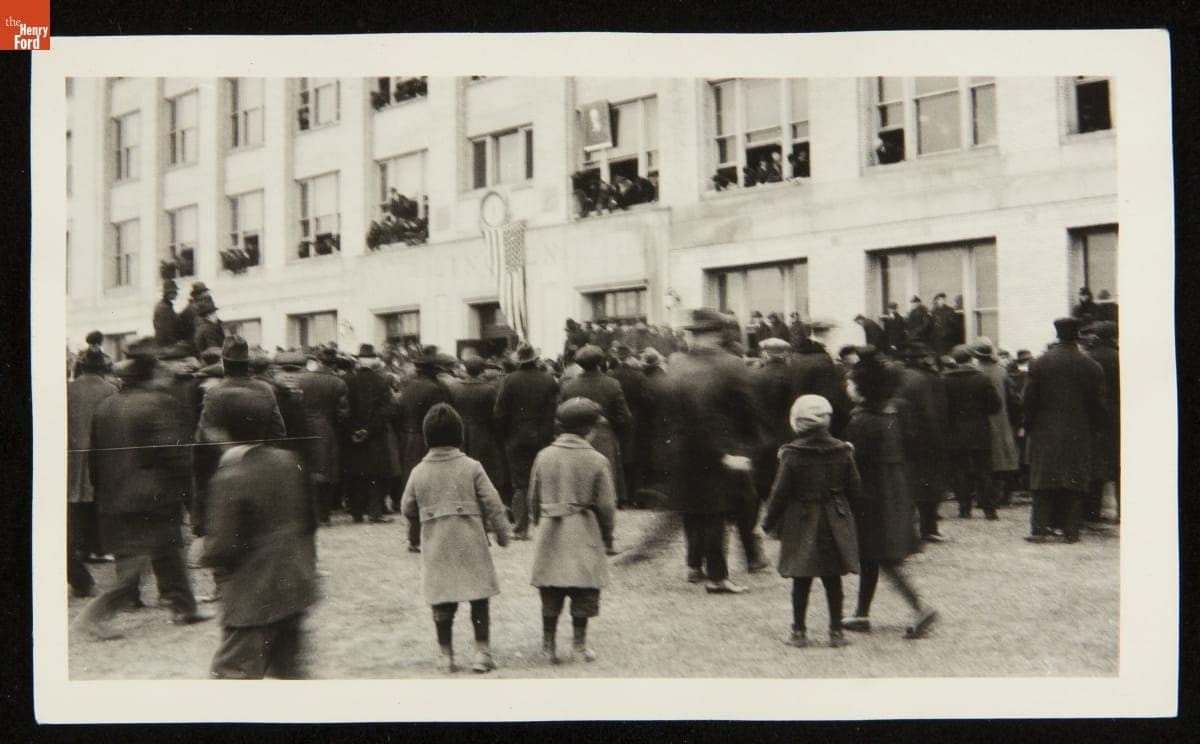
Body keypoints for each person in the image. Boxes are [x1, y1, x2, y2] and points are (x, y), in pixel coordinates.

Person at [72, 338, 213, 641]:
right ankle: (92, 618)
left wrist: (102, 493)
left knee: (166, 551)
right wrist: (188, 497)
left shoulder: (107, 405)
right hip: (153, 498)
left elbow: (94, 459)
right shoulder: (160, 403)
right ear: (151, 373)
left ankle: (185, 607)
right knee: (136, 569)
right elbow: (176, 456)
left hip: (115, 497)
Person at [201, 390, 318, 679]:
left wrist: (204, 551)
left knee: (233, 676)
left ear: (219, 431)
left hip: (252, 598)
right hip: (295, 586)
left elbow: (222, 547)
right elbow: (309, 521)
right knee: (291, 674)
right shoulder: (289, 460)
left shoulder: (228, 477)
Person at [400, 404, 512, 673]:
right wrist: (503, 534)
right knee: (479, 598)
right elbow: (493, 502)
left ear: (427, 437)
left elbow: (407, 507)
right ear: (459, 435)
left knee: (442, 601)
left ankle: (445, 655)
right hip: (471, 542)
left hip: (437, 545)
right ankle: (482, 652)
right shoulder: (472, 467)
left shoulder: (418, 471)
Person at [841, 347, 938, 639]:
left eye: (851, 382)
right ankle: (861, 613)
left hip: (871, 493)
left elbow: (853, 463)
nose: (847, 386)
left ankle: (920, 607)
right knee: (873, 555)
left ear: (863, 389)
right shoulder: (894, 411)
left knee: (883, 556)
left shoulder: (861, 421)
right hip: (894, 488)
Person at [670, 308, 765, 594]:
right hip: (721, 450)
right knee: (717, 512)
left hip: (686, 452)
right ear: (718, 333)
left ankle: (695, 566)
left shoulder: (678, 364)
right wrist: (742, 448)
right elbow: (748, 408)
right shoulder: (731, 364)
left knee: (696, 511)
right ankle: (717, 576)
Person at [762, 394, 860, 649]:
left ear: (797, 421)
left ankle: (799, 632)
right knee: (833, 578)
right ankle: (836, 631)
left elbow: (779, 492)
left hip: (801, 519)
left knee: (801, 578)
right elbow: (855, 488)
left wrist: (767, 522)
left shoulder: (792, 454)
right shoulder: (843, 451)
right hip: (834, 518)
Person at [529, 397, 617, 664]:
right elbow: (606, 505)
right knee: (584, 589)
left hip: (550, 529)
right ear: (589, 429)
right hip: (583, 529)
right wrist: (606, 533)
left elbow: (533, 497)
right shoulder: (597, 459)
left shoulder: (544, 455)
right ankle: (579, 646)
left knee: (550, 589)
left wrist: (539, 521)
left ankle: (548, 646)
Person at [1023, 318, 1107, 544]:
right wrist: (1095, 429)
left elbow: (1029, 400)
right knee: (1073, 480)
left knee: (1042, 480)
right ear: (1077, 335)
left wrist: (1029, 425)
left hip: (1044, 430)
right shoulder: (1091, 366)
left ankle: (1039, 528)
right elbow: (1098, 405)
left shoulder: (1039, 363)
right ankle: (1071, 530)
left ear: (1057, 334)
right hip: (1079, 431)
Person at [494, 342, 560, 540]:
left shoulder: (508, 381)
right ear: (535, 359)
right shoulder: (549, 380)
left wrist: (505, 435)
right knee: (545, 480)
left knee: (520, 484)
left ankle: (521, 528)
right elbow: (554, 411)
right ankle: (548, 527)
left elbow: (499, 413)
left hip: (516, 438)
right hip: (542, 436)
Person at [67, 347, 119, 597]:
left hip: (72, 453)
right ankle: (98, 546)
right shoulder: (110, 390)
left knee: (75, 502)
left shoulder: (69, 389)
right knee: (97, 499)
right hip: (100, 453)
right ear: (101, 369)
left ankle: (80, 548)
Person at [559, 344, 632, 510]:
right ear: (600, 362)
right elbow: (625, 417)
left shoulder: (569, 386)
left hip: (577, 436)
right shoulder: (612, 384)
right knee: (605, 480)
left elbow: (561, 413)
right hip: (604, 434)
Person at [396, 348, 455, 545]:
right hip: (429, 441)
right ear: (434, 368)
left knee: (414, 487)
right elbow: (445, 415)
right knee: (435, 487)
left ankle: (414, 537)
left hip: (408, 440)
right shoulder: (437, 389)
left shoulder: (408, 386)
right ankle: (434, 535)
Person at [895, 342, 951, 541]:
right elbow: (935, 412)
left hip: (902, 436)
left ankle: (905, 529)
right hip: (927, 439)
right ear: (924, 358)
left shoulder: (898, 375)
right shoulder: (929, 379)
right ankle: (929, 528)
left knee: (907, 483)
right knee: (929, 485)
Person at [942, 345, 1003, 519]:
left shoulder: (945, 380)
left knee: (960, 470)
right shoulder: (982, 379)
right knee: (984, 470)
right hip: (979, 430)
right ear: (970, 359)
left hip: (955, 432)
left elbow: (943, 407)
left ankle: (964, 508)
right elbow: (995, 405)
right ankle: (989, 509)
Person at [344, 344, 401, 525]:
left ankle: (357, 513)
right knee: (376, 474)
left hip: (352, 437)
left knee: (356, 473)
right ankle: (375, 512)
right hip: (375, 436)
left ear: (359, 361)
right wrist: (368, 430)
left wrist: (353, 430)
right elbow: (389, 410)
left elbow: (343, 410)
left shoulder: (346, 380)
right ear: (374, 361)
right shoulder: (383, 381)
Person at [292, 346, 350, 525]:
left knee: (306, 469)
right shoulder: (338, 383)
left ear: (318, 361)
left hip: (303, 428)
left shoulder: (302, 379)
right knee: (326, 472)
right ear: (334, 364)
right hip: (326, 430)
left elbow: (295, 405)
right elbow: (343, 414)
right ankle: (324, 516)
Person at [451, 356, 510, 511]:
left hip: (462, 434)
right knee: (487, 472)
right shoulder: (488, 389)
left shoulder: (455, 388)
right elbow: (496, 414)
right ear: (482, 371)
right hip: (484, 434)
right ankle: (485, 510)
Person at [969, 337, 1022, 508]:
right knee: (1004, 458)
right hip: (1001, 419)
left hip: (980, 421)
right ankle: (1002, 495)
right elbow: (1014, 399)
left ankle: (984, 496)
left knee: (983, 461)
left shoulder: (974, 373)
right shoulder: (1001, 372)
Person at [1084, 321, 1120, 524]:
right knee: (1120, 466)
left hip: (1095, 419)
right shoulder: (1121, 356)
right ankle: (1123, 511)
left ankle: (1092, 512)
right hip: (1118, 417)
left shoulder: (1089, 358)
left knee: (1095, 465)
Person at [606, 345, 649, 507]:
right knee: (634, 459)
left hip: (615, 423)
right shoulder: (639, 376)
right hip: (636, 423)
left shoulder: (610, 375)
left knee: (618, 458)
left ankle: (619, 496)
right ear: (630, 358)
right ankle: (634, 496)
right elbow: (647, 399)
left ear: (617, 357)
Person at [152, 280, 181, 347]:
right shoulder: (163, 308)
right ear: (168, 293)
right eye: (174, 292)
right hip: (166, 345)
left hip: (167, 343)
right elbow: (166, 330)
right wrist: (175, 343)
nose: (176, 293)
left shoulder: (166, 306)